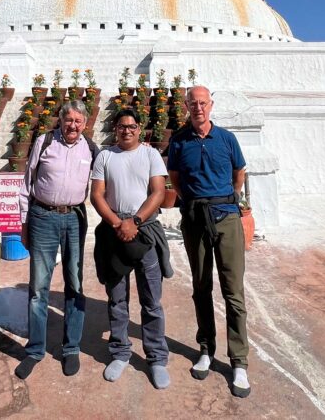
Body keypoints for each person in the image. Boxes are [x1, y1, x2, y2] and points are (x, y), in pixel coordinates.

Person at [167, 86, 251, 398]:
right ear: (186, 106)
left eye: (202, 103)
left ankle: (238, 360)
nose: (198, 108)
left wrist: (228, 199)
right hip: (195, 219)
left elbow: (238, 172)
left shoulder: (227, 138)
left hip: (226, 217)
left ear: (210, 105)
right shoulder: (179, 140)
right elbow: (174, 177)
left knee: (233, 291)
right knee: (201, 287)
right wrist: (193, 201)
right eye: (193, 103)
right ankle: (206, 349)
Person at [15, 100, 99, 380]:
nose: (73, 125)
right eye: (68, 120)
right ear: (61, 121)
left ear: (85, 124)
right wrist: (24, 224)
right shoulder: (44, 142)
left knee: (74, 283)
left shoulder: (91, 149)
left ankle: (71, 347)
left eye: (78, 121)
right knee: (39, 287)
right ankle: (35, 350)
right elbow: (27, 184)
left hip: (75, 218)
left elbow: (104, 183)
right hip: (42, 216)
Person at [89, 109, 173, 389]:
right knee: (117, 299)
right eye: (122, 126)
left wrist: (135, 221)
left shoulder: (150, 155)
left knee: (151, 300)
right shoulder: (104, 156)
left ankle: (157, 357)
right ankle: (120, 352)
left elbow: (158, 192)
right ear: (115, 129)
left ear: (140, 129)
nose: (127, 130)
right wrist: (118, 223)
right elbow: (97, 194)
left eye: (132, 126)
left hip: (145, 231)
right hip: (114, 232)